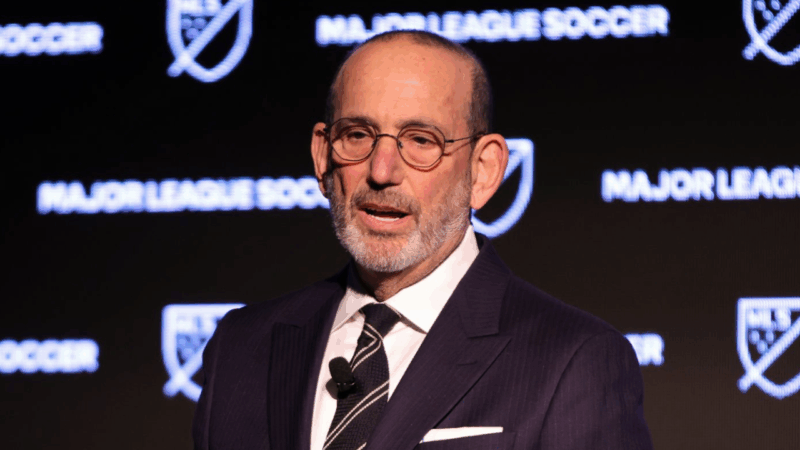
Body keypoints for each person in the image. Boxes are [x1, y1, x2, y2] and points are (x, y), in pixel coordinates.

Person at [193, 30, 653, 450]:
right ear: (322, 156)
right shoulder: (241, 347)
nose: (381, 171)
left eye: (421, 140)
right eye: (358, 135)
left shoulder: (575, 360)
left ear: (483, 171)